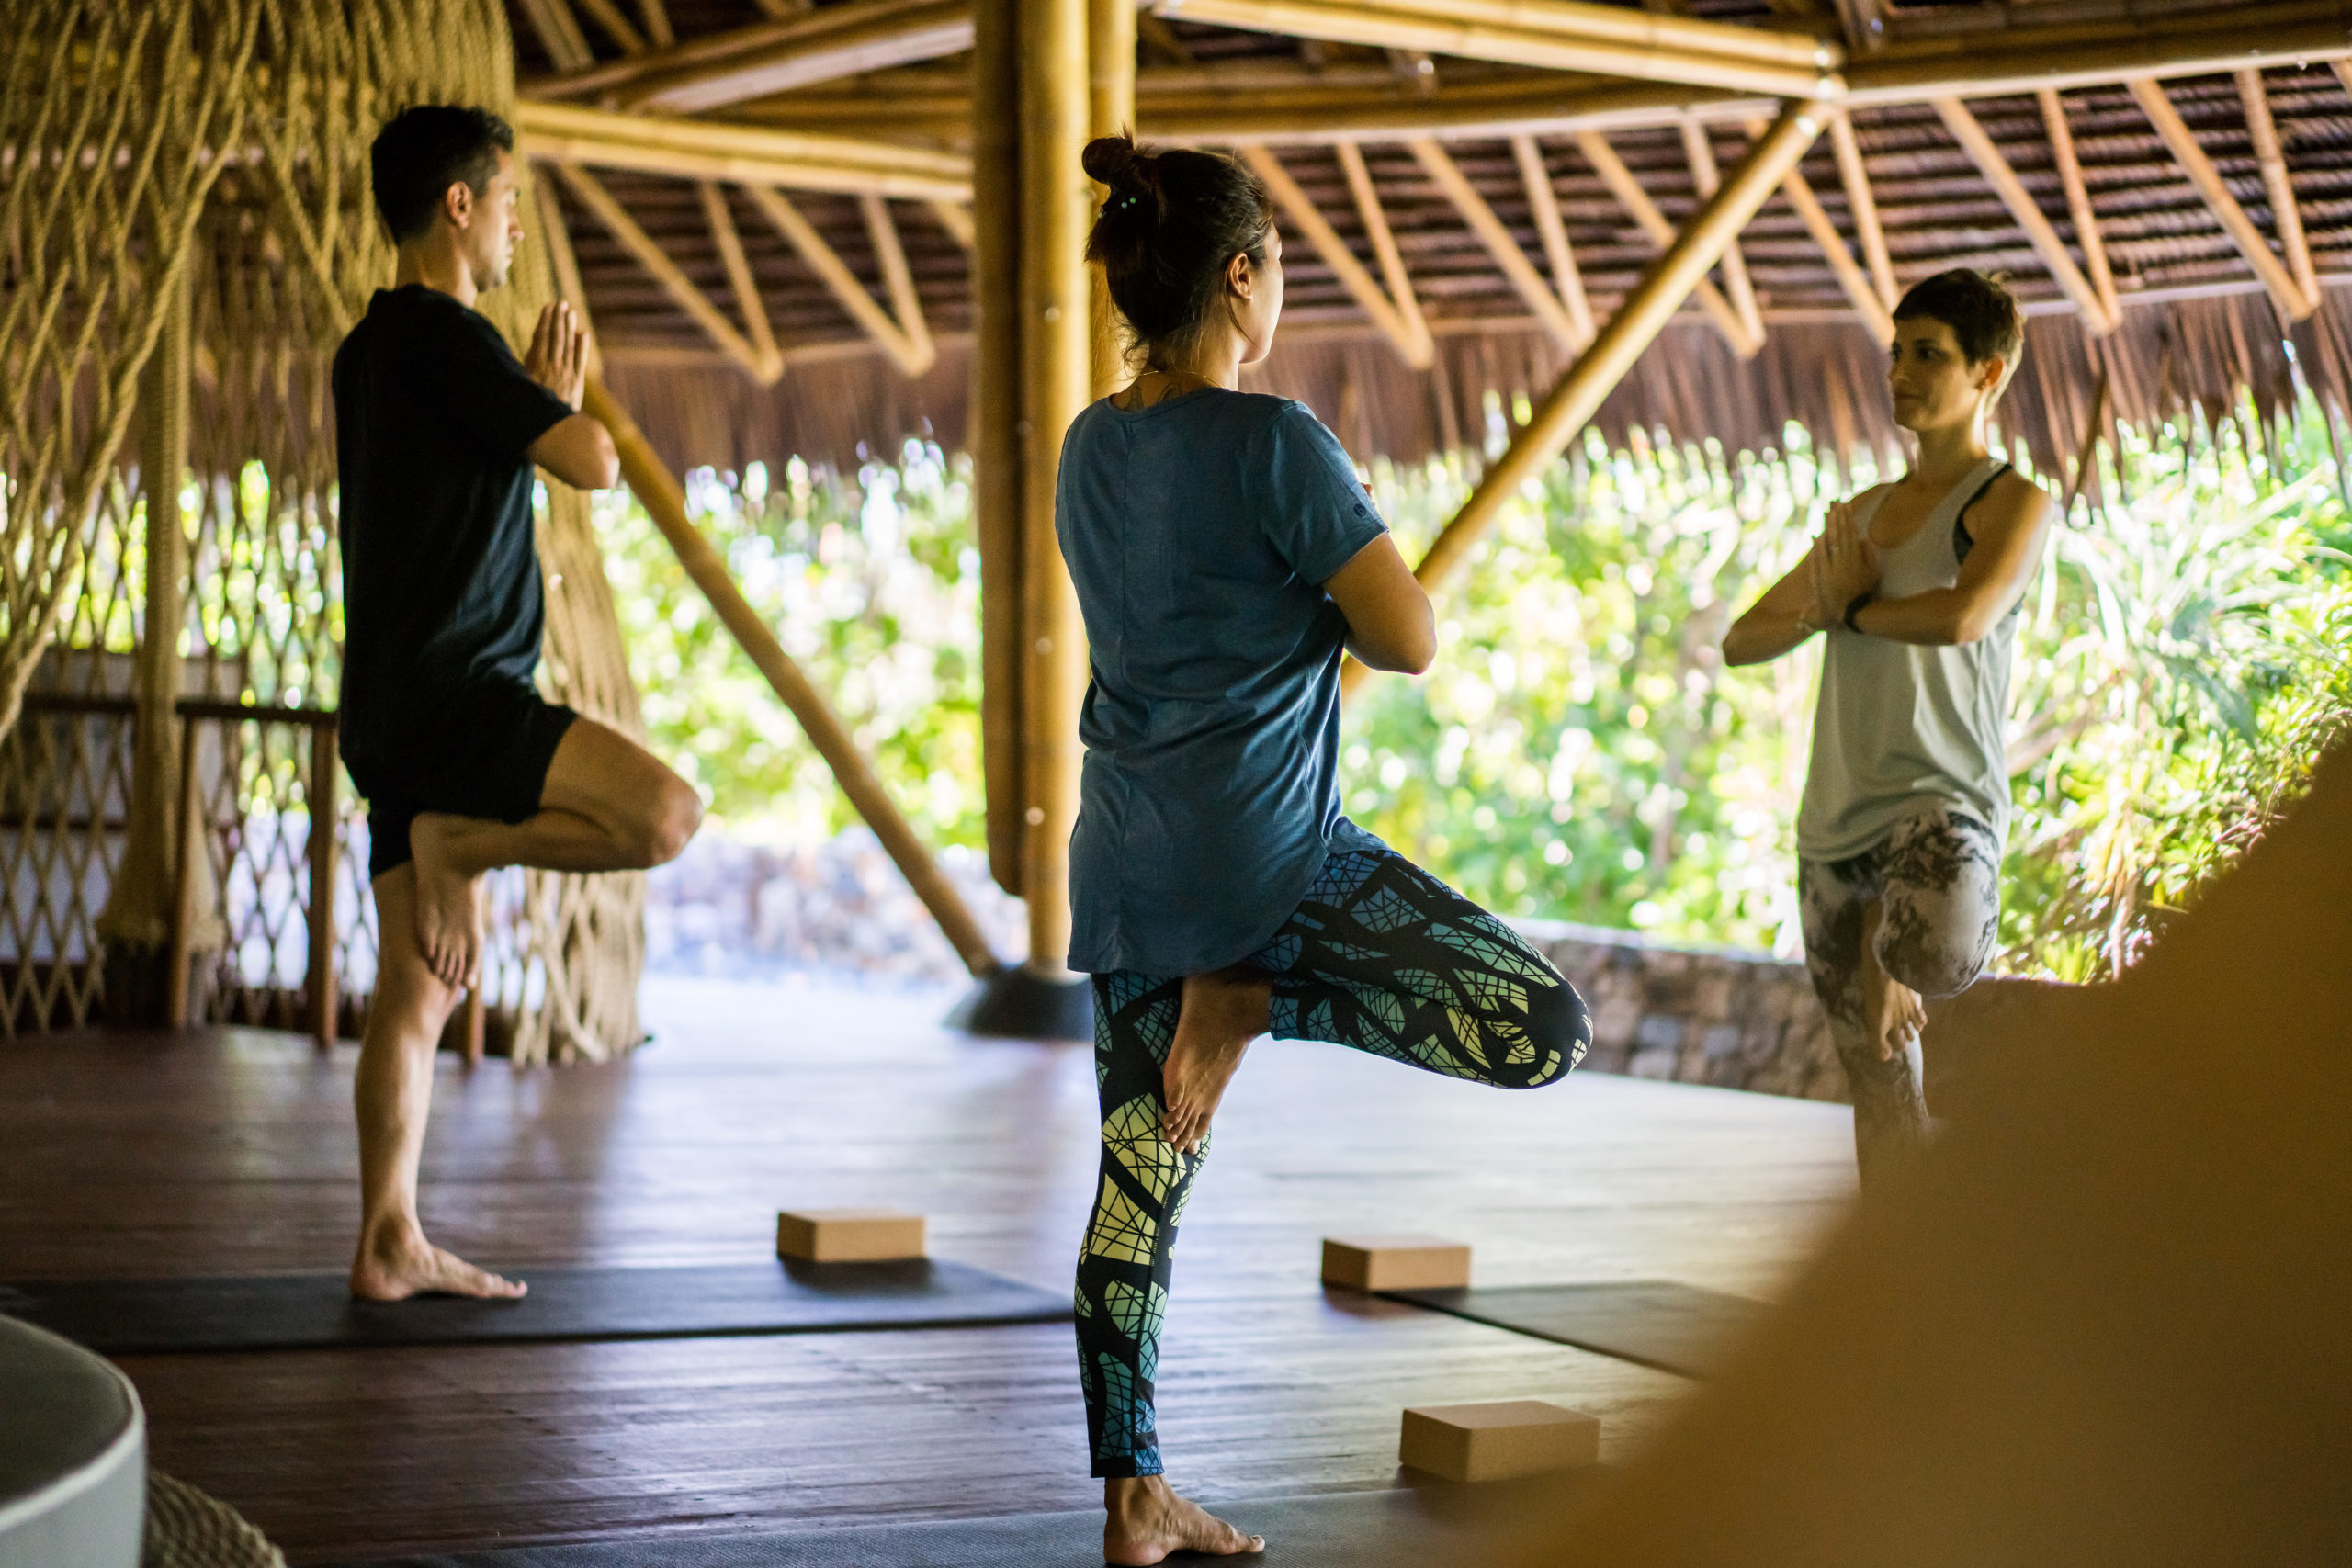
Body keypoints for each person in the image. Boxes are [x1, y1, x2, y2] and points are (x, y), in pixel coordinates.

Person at [1059, 135, 1593, 1565]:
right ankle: (1255, 999)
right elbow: (1407, 636)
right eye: (1278, 266)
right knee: (1543, 1026)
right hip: (1275, 861)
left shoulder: (1089, 446)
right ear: (1243, 277)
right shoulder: (1277, 442)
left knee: (1136, 1190)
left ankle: (1133, 1495)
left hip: (1127, 872)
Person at [334, 106, 704, 1302]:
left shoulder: (371, 351)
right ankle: (468, 841)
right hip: (461, 697)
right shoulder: (448, 336)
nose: (513, 229)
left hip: (387, 708)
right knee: (666, 815)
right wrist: (556, 407)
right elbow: (594, 461)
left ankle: (388, 1235)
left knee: (419, 990)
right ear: (459, 204)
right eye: (505, 203)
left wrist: (523, 411)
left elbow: (456, 495)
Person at [1723, 269, 2053, 1184]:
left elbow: (1964, 615)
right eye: (1896, 352)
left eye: (1928, 355)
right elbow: (1742, 639)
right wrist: (1821, 605)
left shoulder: (2010, 501)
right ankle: (1909, 1266)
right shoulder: (1860, 517)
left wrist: (1854, 611)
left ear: (1987, 373)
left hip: (1938, 804)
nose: (1900, 372)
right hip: (1834, 824)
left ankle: (1891, 944)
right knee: (1879, 1086)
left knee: (1937, 952)